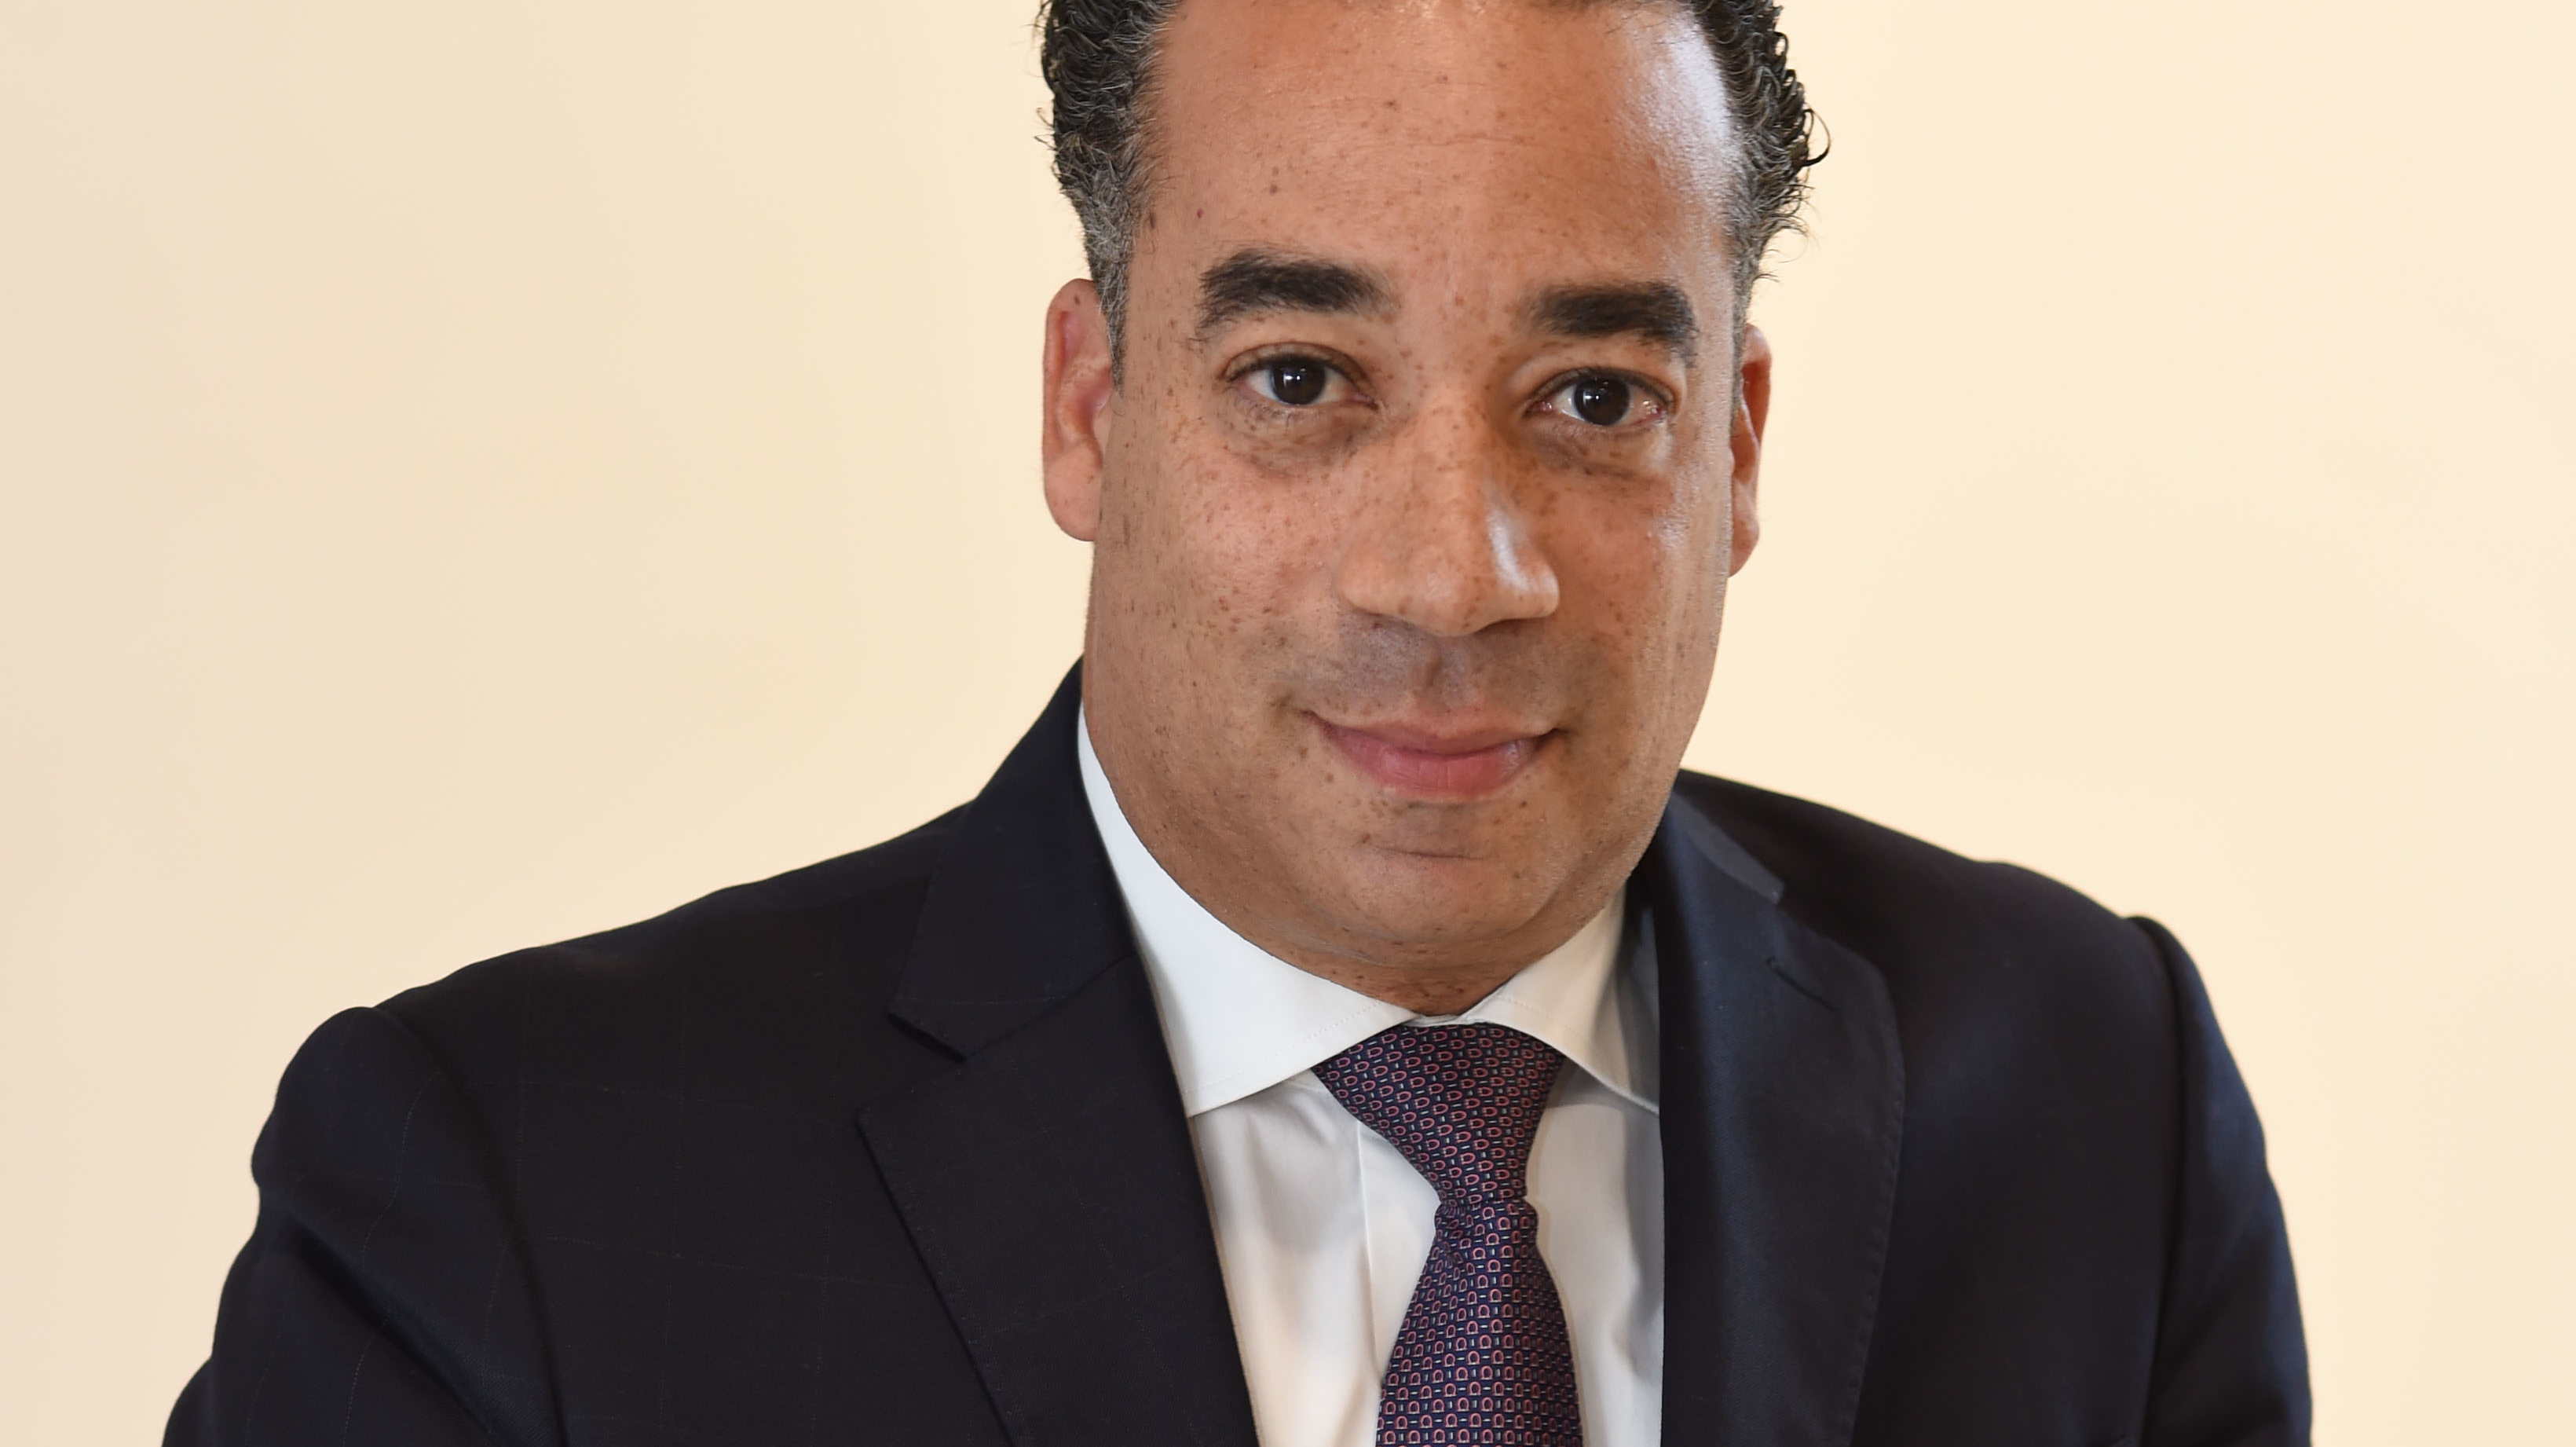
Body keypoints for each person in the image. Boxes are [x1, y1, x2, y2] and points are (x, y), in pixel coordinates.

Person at [166, 0, 2309, 1443]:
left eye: (1594, 398)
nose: (1453, 575)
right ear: (1090, 411)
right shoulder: (513, 1203)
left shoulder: (2092, 1105)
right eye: (1301, 380)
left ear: (1736, 446)